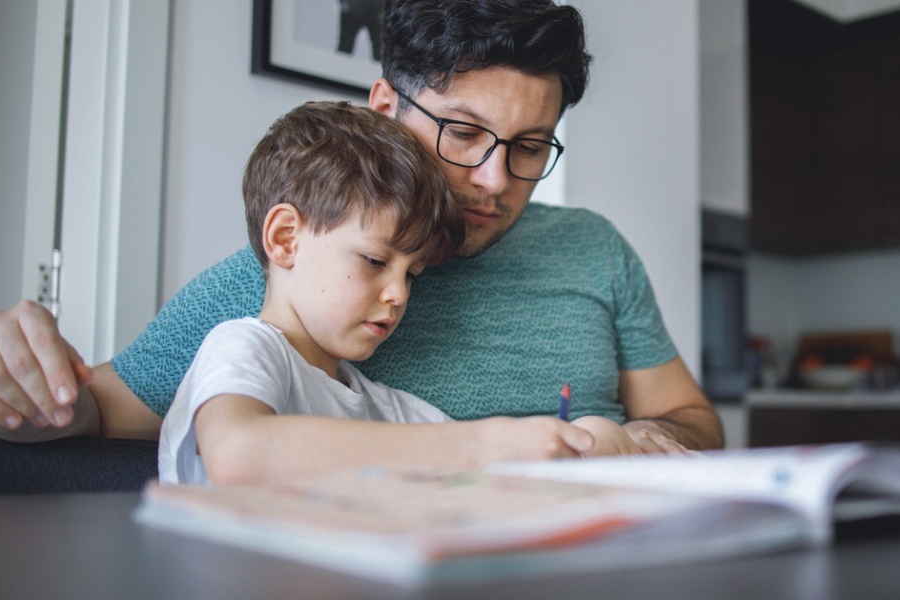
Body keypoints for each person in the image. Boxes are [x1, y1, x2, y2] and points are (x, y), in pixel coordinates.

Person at [0, 0, 723, 456]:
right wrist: (10, 380)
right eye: (463, 133)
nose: (494, 179)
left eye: (529, 148)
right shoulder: (286, 282)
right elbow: (85, 418)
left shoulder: (593, 248)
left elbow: (691, 417)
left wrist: (659, 440)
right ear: (382, 108)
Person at [163, 101, 621, 486]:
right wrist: (479, 445)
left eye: (413, 275)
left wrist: (587, 438)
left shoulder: (384, 408)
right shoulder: (246, 347)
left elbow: (495, 476)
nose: (398, 294)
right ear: (286, 239)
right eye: (376, 262)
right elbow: (238, 453)